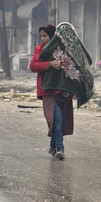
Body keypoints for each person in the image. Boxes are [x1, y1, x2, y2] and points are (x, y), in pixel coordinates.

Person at [29, 24, 68, 159]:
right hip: (46, 90)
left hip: (60, 90)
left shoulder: (61, 48)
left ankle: (53, 148)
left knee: (58, 120)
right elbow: (33, 66)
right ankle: (60, 149)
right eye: (41, 36)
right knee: (55, 119)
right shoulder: (39, 49)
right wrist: (50, 64)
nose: (43, 39)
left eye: (45, 36)